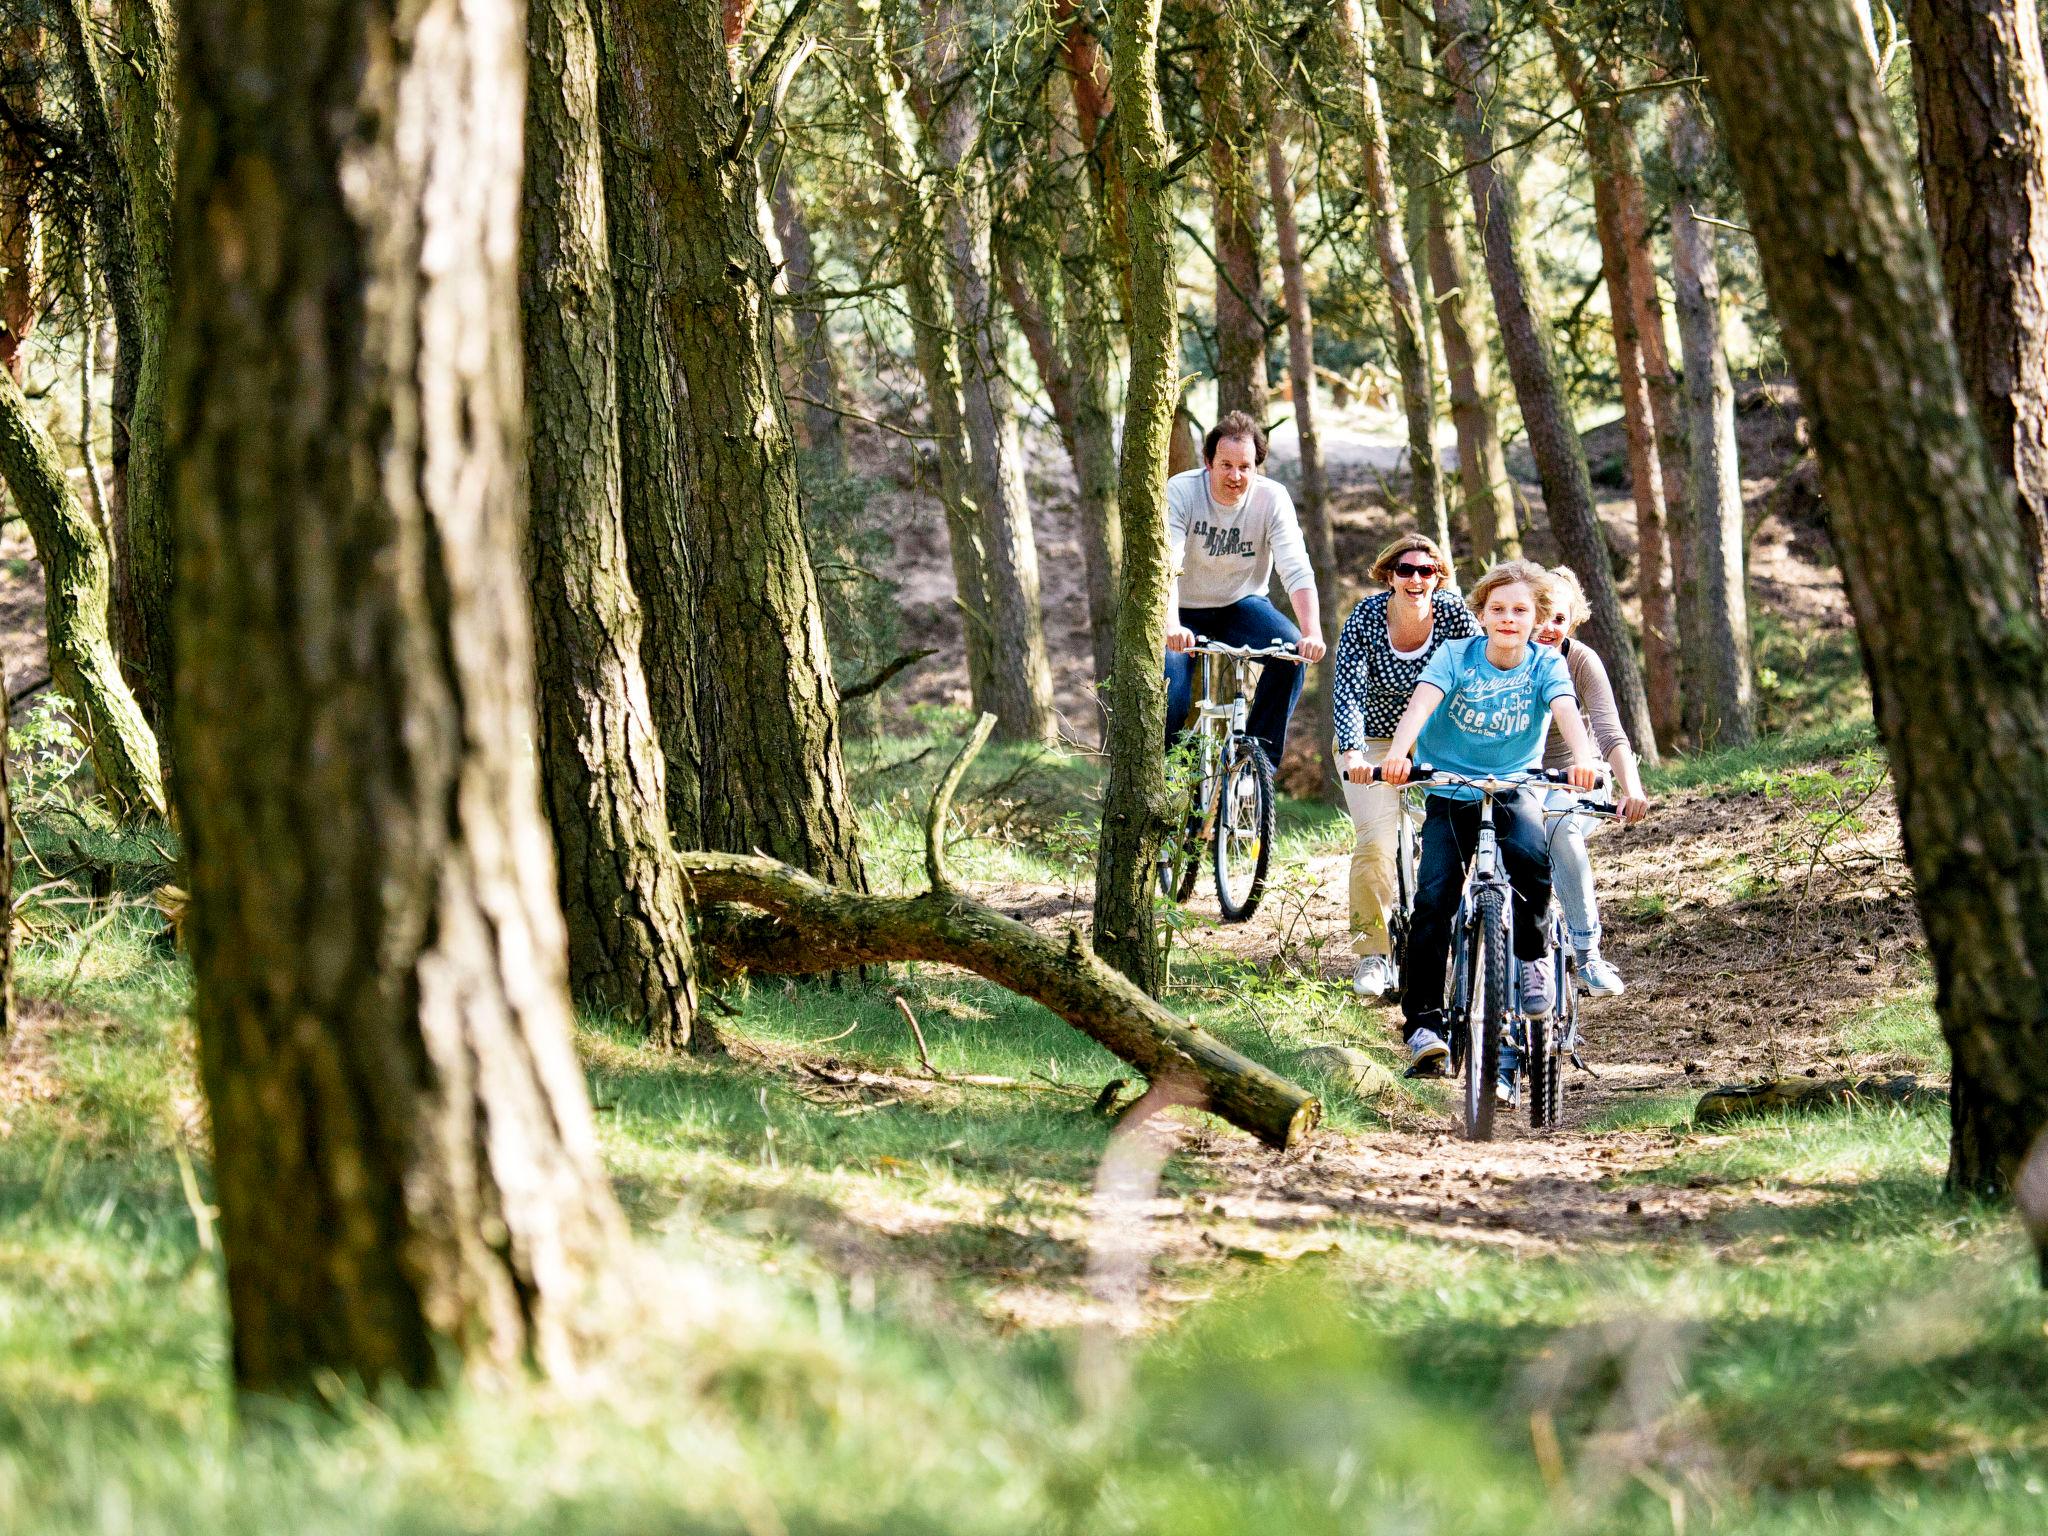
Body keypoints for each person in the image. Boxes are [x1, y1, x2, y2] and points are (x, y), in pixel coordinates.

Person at [1378, 560, 1603, 1103]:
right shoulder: (1456, 656)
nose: (1508, 618)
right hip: (1450, 792)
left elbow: (1568, 714)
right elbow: (1421, 705)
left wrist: (1583, 761)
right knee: (1433, 900)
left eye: (1520, 610)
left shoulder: (1547, 664)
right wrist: (1395, 754)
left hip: (1513, 788)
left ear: (1539, 618)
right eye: (1497, 609)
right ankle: (1425, 1026)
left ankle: (1530, 965)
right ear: (1480, 614)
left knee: (1530, 862)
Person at [1333, 534, 1478, 999]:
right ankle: (1372, 952)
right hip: (1371, 742)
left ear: (1439, 577)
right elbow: (1348, 688)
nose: (1416, 579)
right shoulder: (1366, 617)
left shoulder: (1453, 613)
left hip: (1436, 738)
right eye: (1406, 570)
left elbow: (1481, 671)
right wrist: (1354, 752)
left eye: (1426, 571)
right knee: (1374, 843)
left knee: (1454, 833)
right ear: (1388, 575)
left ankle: (1467, 935)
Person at [1163, 410, 1326, 771]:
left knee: (1290, 655)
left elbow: (1296, 567)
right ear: (1208, 462)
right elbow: (1168, 564)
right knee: (1170, 693)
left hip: (1241, 604)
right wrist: (1172, 625)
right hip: (1182, 610)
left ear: (1256, 467)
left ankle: (1254, 767)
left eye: (1245, 467)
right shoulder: (1183, 491)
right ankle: (1166, 775)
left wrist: (1311, 632)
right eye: (1226, 465)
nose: (1235, 476)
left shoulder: (1272, 499)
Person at [1534, 567, 1651, 996]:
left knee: (1558, 824)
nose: (1547, 627)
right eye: (1539, 614)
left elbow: (1609, 731)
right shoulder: (1501, 655)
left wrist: (1632, 789)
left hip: (1579, 778)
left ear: (1573, 620)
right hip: (1518, 779)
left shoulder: (1580, 660)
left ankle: (1587, 954)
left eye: (1558, 618)